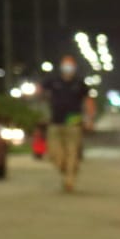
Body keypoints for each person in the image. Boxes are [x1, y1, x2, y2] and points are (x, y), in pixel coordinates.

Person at [43, 55, 96, 192]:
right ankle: (66, 168)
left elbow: (89, 101)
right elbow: (41, 94)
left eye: (70, 65)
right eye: (65, 65)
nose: (68, 68)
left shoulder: (80, 83)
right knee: (55, 154)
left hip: (73, 122)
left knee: (72, 152)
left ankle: (69, 180)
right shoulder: (53, 81)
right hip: (55, 121)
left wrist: (90, 119)